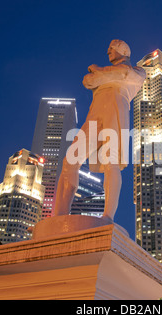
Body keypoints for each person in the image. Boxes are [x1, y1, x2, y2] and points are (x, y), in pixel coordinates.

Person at [54, 39, 146, 222]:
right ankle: (58, 216)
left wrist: (100, 70)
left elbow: (126, 74)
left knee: (112, 162)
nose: (107, 52)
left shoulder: (138, 71)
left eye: (111, 49)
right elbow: (88, 81)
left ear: (123, 51)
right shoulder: (113, 72)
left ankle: (108, 216)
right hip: (93, 116)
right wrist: (107, 75)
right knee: (70, 161)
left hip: (116, 111)